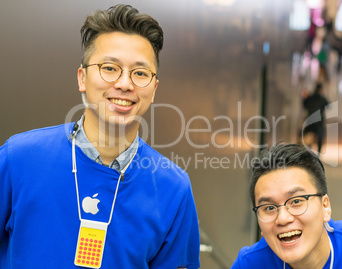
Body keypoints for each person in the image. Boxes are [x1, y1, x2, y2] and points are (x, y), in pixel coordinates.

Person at [0, 4, 200, 269]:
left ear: (153, 90)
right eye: (109, 67)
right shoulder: (19, 159)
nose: (125, 84)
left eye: (140, 73)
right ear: (82, 78)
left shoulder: (173, 188)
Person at [232, 143, 342, 268]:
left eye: (296, 201)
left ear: (325, 207)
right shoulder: (250, 263)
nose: (282, 219)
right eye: (269, 208)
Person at [302, 83, 329, 157]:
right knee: (320, 137)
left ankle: (309, 154)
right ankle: (319, 154)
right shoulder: (322, 98)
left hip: (310, 120)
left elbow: (304, 104)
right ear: (321, 90)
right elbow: (328, 106)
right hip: (319, 121)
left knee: (310, 137)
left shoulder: (310, 97)